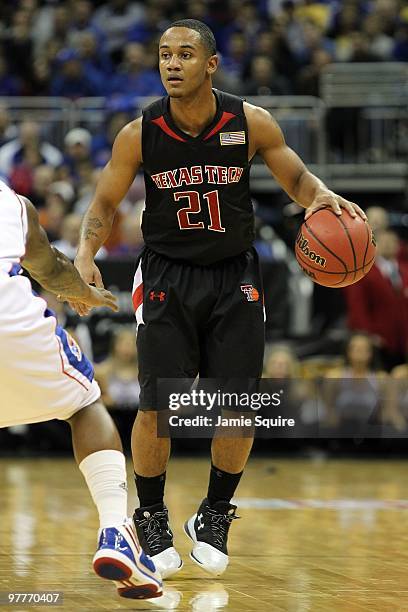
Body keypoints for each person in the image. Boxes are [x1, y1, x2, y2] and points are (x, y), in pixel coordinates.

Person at [73, 19, 365, 578]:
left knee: (238, 404)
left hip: (234, 276)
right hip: (165, 275)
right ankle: (152, 514)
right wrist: (86, 254)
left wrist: (321, 197)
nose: (171, 63)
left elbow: (298, 180)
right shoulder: (139, 133)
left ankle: (214, 512)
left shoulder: (250, 122)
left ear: (210, 64)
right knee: (158, 406)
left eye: (184, 54)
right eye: (164, 55)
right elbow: (102, 204)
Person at [0, 180, 162, 600]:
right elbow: (48, 266)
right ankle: (116, 530)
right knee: (86, 404)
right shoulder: (11, 202)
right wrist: (82, 291)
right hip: (7, 326)